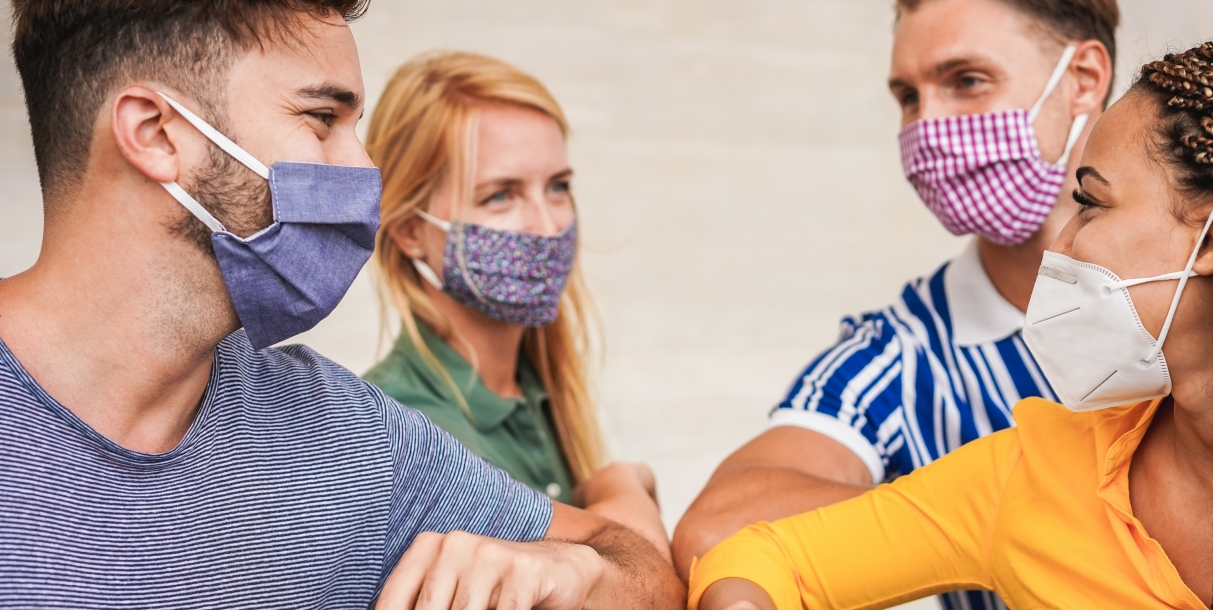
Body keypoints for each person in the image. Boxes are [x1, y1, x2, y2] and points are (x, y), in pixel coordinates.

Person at [0, 1, 683, 608]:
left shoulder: (354, 437)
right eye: (322, 118)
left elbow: (639, 566)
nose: (365, 174)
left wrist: (574, 577)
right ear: (155, 133)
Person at [689, 32, 1213, 610]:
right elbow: (754, 555)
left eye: (1090, 203)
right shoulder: (1035, 474)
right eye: (907, 98)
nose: (1060, 244)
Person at [674, 0, 1117, 607]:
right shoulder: (906, 353)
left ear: (1084, 79)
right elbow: (717, 527)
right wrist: (986, 514)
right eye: (908, 98)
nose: (926, 128)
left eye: (967, 81)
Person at [361, 51, 668, 558]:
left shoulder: (539, 390)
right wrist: (619, 485)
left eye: (558, 187)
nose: (548, 227)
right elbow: (632, 574)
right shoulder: (403, 430)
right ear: (411, 232)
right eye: (500, 196)